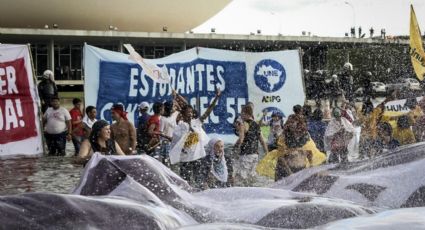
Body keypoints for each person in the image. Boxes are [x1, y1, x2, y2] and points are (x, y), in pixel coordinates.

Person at [169, 88, 221, 187]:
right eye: (188, 112)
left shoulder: (196, 123)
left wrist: (216, 97)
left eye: (191, 112)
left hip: (198, 158)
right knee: (185, 184)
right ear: (183, 115)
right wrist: (182, 148)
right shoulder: (179, 128)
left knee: (200, 182)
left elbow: (208, 111)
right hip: (185, 161)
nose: (190, 114)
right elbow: (175, 145)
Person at [234, 105, 268, 186]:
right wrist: (267, 152)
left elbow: (241, 139)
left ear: (245, 113)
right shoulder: (256, 124)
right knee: (251, 176)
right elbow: (262, 141)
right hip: (255, 155)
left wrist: (235, 148)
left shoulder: (243, 124)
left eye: (241, 113)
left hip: (246, 154)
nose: (241, 115)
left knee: (241, 177)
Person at [159, 101, 180, 166]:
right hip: (166, 143)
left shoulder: (175, 114)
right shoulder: (163, 119)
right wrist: (168, 137)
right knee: (166, 162)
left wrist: (176, 101)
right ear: (170, 108)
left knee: (173, 162)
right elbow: (160, 132)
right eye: (173, 106)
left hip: (174, 142)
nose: (175, 107)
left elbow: (181, 109)